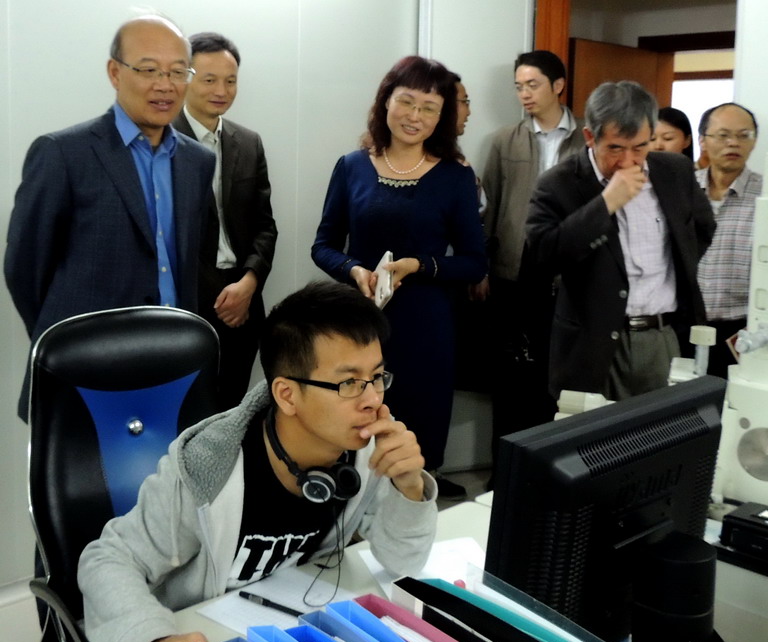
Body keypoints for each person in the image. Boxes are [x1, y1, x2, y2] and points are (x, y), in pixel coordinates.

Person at [78, 280, 438, 642]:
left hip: (298, 638)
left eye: (377, 377)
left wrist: (410, 488)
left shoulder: (367, 447)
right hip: (206, 640)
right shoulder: (210, 467)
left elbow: (403, 563)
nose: (372, 399)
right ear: (287, 395)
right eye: (349, 383)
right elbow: (108, 560)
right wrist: (155, 641)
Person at [4, 14, 215, 421]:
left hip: (173, 365)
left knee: (168, 465)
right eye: (149, 70)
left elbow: (190, 264)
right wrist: (62, 339)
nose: (165, 85)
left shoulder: (198, 161)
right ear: (115, 72)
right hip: (83, 369)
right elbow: (24, 268)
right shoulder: (63, 153)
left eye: (177, 72)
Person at [312, 56, 486, 500]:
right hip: (361, 324)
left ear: (442, 116)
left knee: (416, 442)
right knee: (354, 431)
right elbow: (323, 245)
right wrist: (353, 269)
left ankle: (410, 523)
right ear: (386, 101)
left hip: (426, 330)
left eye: (429, 108)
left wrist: (420, 265)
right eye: (406, 101)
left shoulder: (456, 176)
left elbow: (474, 263)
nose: (415, 116)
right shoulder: (352, 165)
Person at [522, 81, 716, 401]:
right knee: (595, 432)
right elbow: (543, 256)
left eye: (639, 147)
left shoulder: (675, 170)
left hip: (662, 336)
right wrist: (605, 204)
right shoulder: (558, 184)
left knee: (664, 430)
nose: (628, 161)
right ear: (590, 136)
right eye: (615, 148)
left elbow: (702, 227)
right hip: (593, 343)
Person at [479, 50, 585, 454]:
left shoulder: (586, 139)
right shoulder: (506, 139)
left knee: (556, 379)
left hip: (567, 277)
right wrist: (482, 268)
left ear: (558, 86)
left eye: (533, 84)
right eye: (519, 86)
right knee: (510, 379)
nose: (524, 93)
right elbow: (489, 206)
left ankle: (548, 466)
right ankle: (504, 470)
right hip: (513, 273)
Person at [172, 32, 278, 410]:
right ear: (185, 78)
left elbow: (265, 225)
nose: (222, 91)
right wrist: (216, 294)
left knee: (232, 412)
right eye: (210, 79)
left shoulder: (248, 143)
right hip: (186, 303)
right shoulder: (160, 143)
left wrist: (248, 283)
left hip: (243, 303)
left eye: (230, 81)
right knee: (185, 413)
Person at [695, 102, 763, 377]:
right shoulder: (683, 188)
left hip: (740, 331)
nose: (733, 143)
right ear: (703, 140)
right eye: (723, 135)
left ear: (754, 142)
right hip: (683, 326)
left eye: (743, 135)